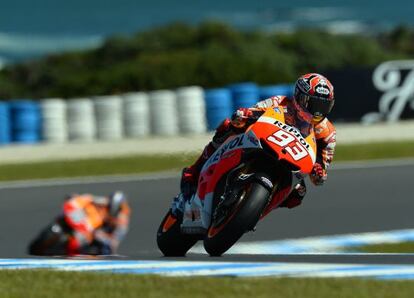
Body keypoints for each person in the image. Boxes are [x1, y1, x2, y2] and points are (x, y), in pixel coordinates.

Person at [174, 73, 336, 216]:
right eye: (313, 105)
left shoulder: (327, 132)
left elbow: (321, 170)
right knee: (229, 125)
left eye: (323, 107)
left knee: (298, 194)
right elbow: (254, 111)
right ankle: (193, 171)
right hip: (263, 142)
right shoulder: (280, 102)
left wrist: (319, 170)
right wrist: (246, 115)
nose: (317, 112)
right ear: (299, 97)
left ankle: (253, 210)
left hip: (292, 161)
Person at [62, 191, 131, 255]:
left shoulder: (122, 222)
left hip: (102, 239)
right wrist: (77, 197)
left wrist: (101, 236)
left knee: (105, 249)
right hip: (91, 224)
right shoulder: (105, 202)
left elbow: (114, 243)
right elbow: (91, 198)